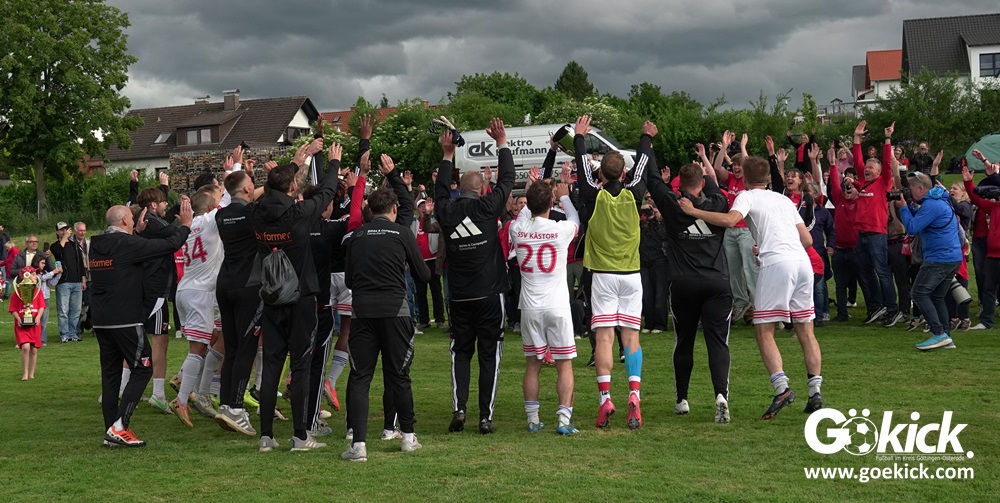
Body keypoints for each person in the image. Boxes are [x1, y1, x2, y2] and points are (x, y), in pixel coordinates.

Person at [679, 155, 825, 419]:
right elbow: (806, 239)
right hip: (802, 263)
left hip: (777, 264)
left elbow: (730, 220)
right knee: (806, 330)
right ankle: (815, 390)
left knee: (763, 329)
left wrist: (693, 212)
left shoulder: (746, 196)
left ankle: (782, 389)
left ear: (745, 178)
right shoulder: (782, 199)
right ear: (768, 177)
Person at [342, 162, 431, 462]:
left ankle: (358, 445)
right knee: (399, 375)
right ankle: (408, 437)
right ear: (394, 209)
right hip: (395, 311)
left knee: (360, 377)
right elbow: (423, 274)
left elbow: (349, 280)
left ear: (370, 209)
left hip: (363, 312)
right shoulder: (402, 233)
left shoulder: (357, 236)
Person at [252, 137, 334, 452]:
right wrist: (333, 163)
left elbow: (272, 189)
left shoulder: (256, 214)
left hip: (271, 297)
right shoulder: (299, 214)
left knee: (271, 367)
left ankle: (266, 436)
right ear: (293, 188)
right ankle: (300, 436)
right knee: (300, 366)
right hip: (300, 298)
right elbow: (326, 192)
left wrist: (294, 166)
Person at [434, 118, 515, 435]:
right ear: (482, 189)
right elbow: (507, 180)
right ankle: (485, 417)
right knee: (489, 355)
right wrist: (502, 143)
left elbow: (441, 191)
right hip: (490, 294)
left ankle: (460, 409)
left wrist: (447, 155)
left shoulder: (446, 211)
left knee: (461, 352)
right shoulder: (488, 207)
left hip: (459, 296)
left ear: (460, 190)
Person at [91, 202, 192, 447]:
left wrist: (136, 232)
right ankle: (120, 426)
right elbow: (170, 245)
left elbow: (123, 254)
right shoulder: (127, 244)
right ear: (126, 221)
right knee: (143, 368)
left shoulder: (96, 244)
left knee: (111, 375)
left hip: (102, 320)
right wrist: (186, 226)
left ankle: (111, 432)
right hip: (125, 318)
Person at [575, 116, 653, 430]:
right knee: (631, 337)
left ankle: (605, 399)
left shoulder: (594, 196)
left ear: (600, 175)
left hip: (603, 275)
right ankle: (634, 394)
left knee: (605, 338)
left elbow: (582, 168)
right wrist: (646, 136)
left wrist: (580, 138)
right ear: (623, 173)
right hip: (631, 274)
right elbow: (643, 165)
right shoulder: (634, 194)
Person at [648, 154, 733, 424]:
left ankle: (682, 399)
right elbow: (713, 184)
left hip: (683, 283)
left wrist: (647, 140)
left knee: (684, 341)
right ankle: (720, 396)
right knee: (717, 341)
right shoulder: (718, 203)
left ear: (679, 184)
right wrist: (705, 167)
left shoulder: (672, 203)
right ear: (702, 182)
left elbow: (652, 178)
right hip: (716, 282)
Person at [510, 176, 581, 434]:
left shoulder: (517, 229)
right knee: (564, 364)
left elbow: (525, 213)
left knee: (532, 364)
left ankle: (532, 419)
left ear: (527, 203)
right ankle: (563, 420)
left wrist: (533, 189)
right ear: (551, 202)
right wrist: (564, 196)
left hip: (530, 306)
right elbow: (575, 220)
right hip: (557, 305)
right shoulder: (560, 229)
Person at [170, 187, 225, 427]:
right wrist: (233, 172)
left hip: (184, 289)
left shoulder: (187, 225)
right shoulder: (210, 221)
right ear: (211, 207)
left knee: (210, 338)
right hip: (200, 292)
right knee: (198, 348)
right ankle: (182, 399)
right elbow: (233, 197)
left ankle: (193, 387)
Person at [899, 171, 963, 350]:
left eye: (911, 188)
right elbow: (924, 220)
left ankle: (938, 333)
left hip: (939, 258)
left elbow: (912, 227)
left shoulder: (932, 205)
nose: (909, 192)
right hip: (951, 257)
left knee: (918, 293)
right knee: (937, 297)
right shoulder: (939, 201)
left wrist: (903, 208)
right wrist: (910, 207)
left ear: (921, 188)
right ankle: (946, 337)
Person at [852, 121, 903, 327]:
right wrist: (856, 138)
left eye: (871, 167)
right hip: (861, 234)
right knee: (866, 273)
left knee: (882, 272)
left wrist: (887, 138)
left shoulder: (883, 183)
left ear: (879, 172)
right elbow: (857, 159)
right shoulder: (863, 182)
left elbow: (887, 163)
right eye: (866, 167)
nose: (866, 169)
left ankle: (892, 309)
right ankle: (876, 306)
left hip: (876, 234)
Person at [712, 133, 759, 325]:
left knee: (750, 269)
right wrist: (724, 146)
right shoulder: (731, 178)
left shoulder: (748, 181)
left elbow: (750, 166)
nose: (737, 168)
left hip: (746, 230)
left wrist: (743, 148)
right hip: (730, 230)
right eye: (735, 165)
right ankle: (741, 302)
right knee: (733, 271)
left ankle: (759, 306)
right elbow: (717, 168)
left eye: (740, 166)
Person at [50, 222, 86, 343]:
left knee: (76, 310)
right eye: (61, 230)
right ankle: (64, 334)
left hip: (76, 281)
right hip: (63, 281)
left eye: (65, 229)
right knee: (63, 310)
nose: (64, 231)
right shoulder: (55, 246)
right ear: (57, 232)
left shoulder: (74, 245)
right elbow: (58, 252)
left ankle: (73, 333)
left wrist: (83, 279)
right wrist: (65, 238)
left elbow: (80, 262)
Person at [10, 266, 45, 380]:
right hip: (22, 325)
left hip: (34, 324)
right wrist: (18, 318)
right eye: (33, 274)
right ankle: (25, 373)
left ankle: (31, 373)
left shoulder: (38, 291)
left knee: (33, 349)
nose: (35, 277)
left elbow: (41, 306)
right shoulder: (18, 292)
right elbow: (13, 308)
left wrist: (38, 317)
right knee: (25, 347)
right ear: (26, 276)